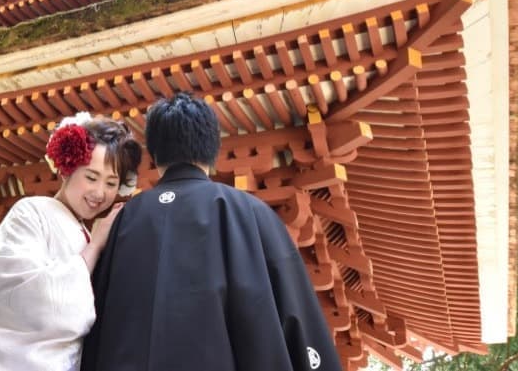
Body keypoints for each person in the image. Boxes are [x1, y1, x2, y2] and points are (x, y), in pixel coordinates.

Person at [81, 93, 342, 371]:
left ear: (154, 155)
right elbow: (294, 313)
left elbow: (92, 319)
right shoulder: (252, 213)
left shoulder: (122, 220)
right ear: (211, 149)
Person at [0, 113, 142, 371]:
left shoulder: (83, 230)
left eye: (111, 183)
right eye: (91, 177)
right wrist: (94, 248)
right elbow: (23, 299)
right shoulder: (32, 213)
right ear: (67, 168)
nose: (100, 193)